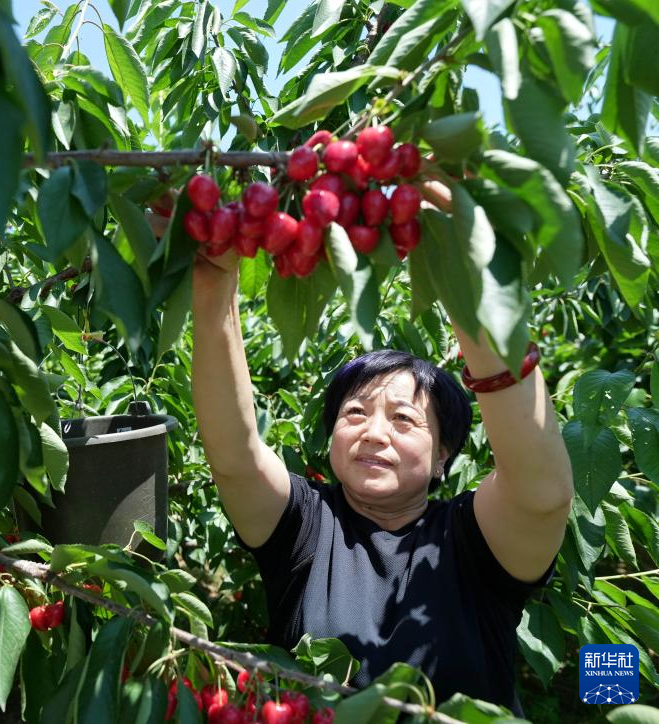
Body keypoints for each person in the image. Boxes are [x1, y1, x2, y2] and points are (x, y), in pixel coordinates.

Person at [188, 210, 574, 714]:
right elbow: (234, 456)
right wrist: (213, 284)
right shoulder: (307, 526)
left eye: (403, 419)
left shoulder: (472, 541)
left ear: (443, 455)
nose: (373, 433)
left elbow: (542, 494)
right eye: (354, 413)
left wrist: (470, 292)